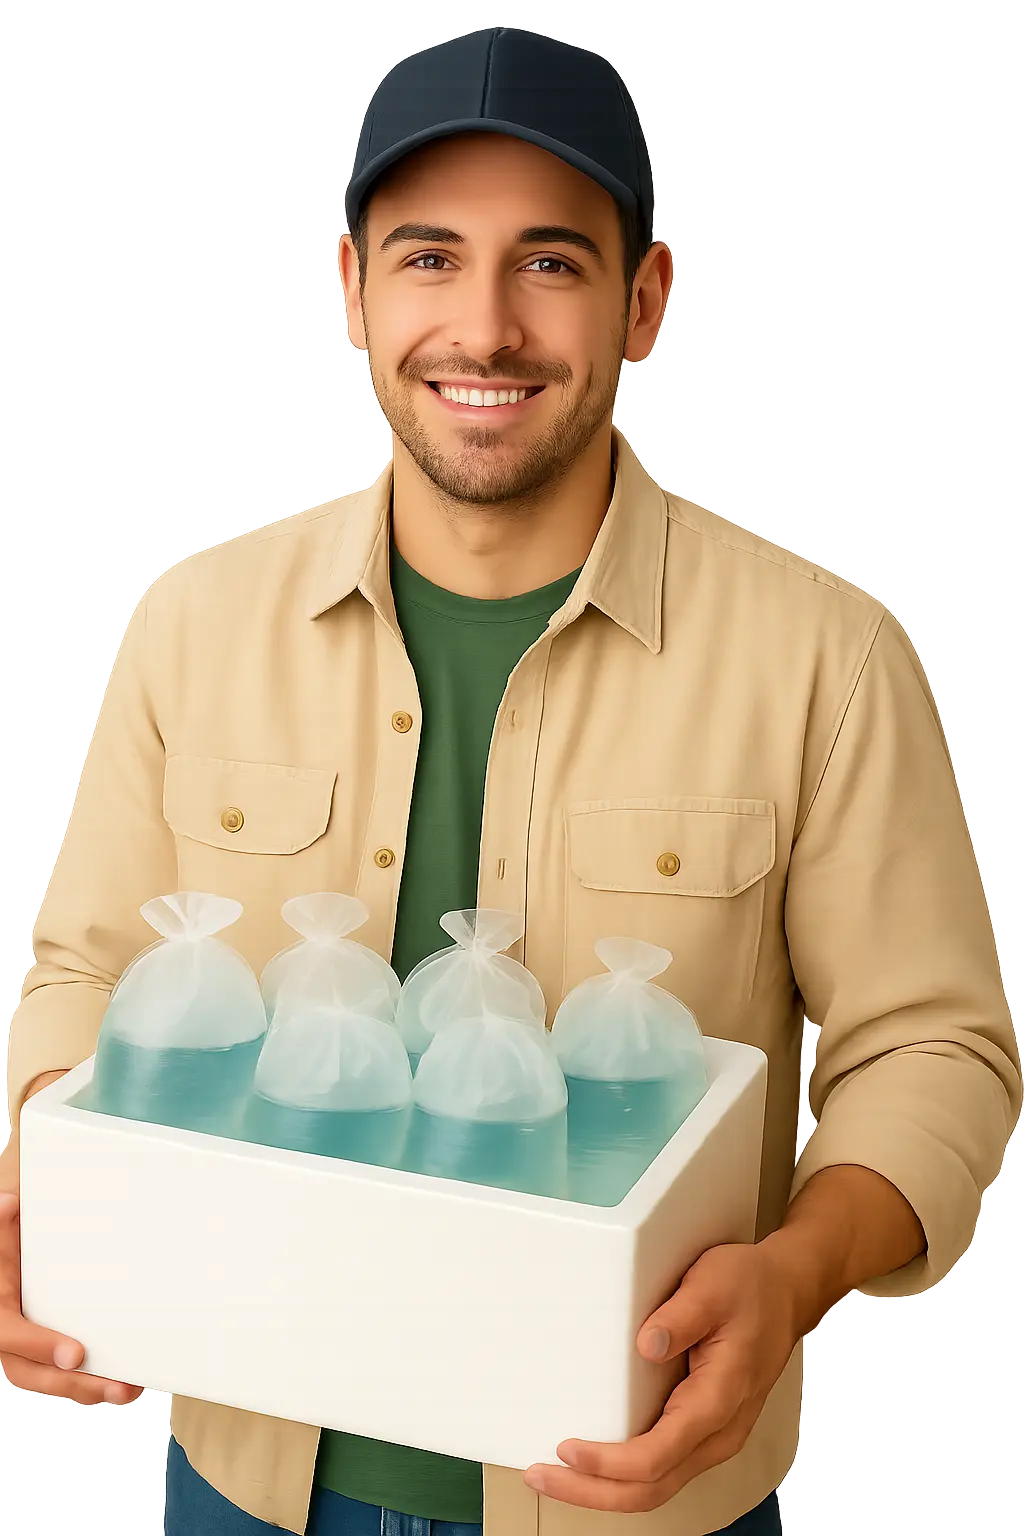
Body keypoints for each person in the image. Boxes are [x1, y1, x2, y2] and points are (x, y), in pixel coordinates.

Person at [1, 22, 1020, 1536]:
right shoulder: (192, 620)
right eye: (427, 258)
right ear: (348, 289)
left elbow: (934, 1049)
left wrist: (795, 1275)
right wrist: (48, 1200)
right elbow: (80, 969)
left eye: (549, 262)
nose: (483, 328)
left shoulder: (826, 658)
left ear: (645, 302)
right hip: (251, 1474)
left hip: (634, 1487)